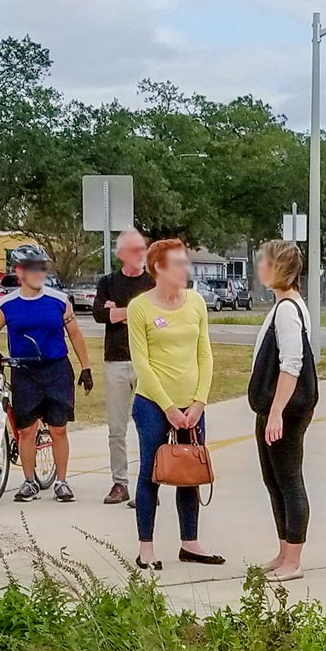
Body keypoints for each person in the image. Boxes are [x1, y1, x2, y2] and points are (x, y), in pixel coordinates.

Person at [126, 239, 224, 570]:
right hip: (154, 404)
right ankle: (146, 548)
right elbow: (142, 364)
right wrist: (168, 407)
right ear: (159, 269)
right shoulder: (140, 307)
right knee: (151, 473)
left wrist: (199, 402)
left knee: (189, 472)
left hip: (192, 405)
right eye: (179, 264)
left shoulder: (196, 302)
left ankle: (190, 542)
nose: (186, 269)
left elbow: (205, 354)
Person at [0, 245, 93, 503]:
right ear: (19, 272)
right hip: (24, 370)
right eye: (34, 268)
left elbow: (75, 334)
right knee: (27, 430)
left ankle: (62, 481)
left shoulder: (59, 300)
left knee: (58, 429)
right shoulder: (7, 304)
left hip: (56, 369)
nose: (40, 273)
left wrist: (86, 368)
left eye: (42, 267)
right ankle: (29, 481)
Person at [249, 241, 319, 582]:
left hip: (285, 410)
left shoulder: (289, 310)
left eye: (264, 262)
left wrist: (276, 411)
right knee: (273, 479)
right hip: (273, 407)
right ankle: (283, 551)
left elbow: (292, 364)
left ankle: (294, 560)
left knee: (289, 479)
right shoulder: (284, 306)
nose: (259, 266)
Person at [92, 230, 154, 506]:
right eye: (134, 250)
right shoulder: (108, 283)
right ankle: (120, 483)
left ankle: (148, 485)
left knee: (148, 425)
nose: (140, 254)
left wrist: (120, 312)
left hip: (147, 361)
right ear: (121, 255)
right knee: (117, 426)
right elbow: (98, 314)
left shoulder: (154, 282)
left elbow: (157, 318)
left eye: (142, 249)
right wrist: (130, 313)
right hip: (115, 360)